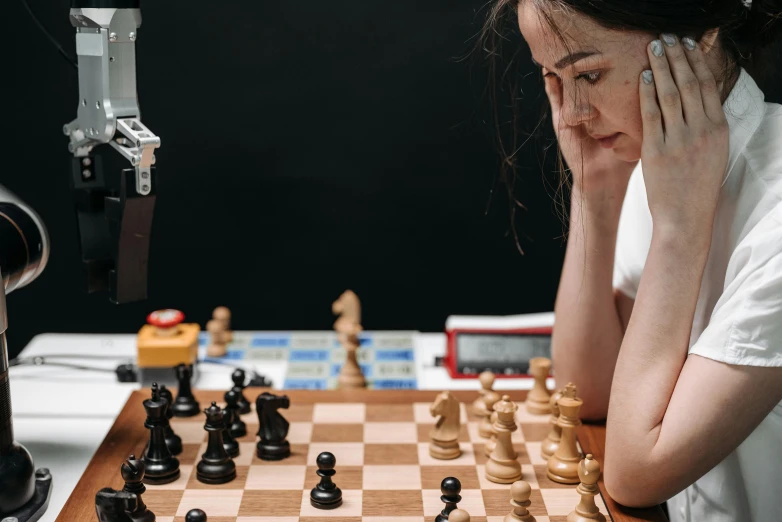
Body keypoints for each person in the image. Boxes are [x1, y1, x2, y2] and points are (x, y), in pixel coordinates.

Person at [479, 0, 782, 520]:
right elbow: (585, 391)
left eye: (590, 74)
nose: (571, 112)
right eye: (554, 78)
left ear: (701, 35)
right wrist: (595, 192)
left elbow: (635, 473)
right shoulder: (663, 159)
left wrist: (680, 229)